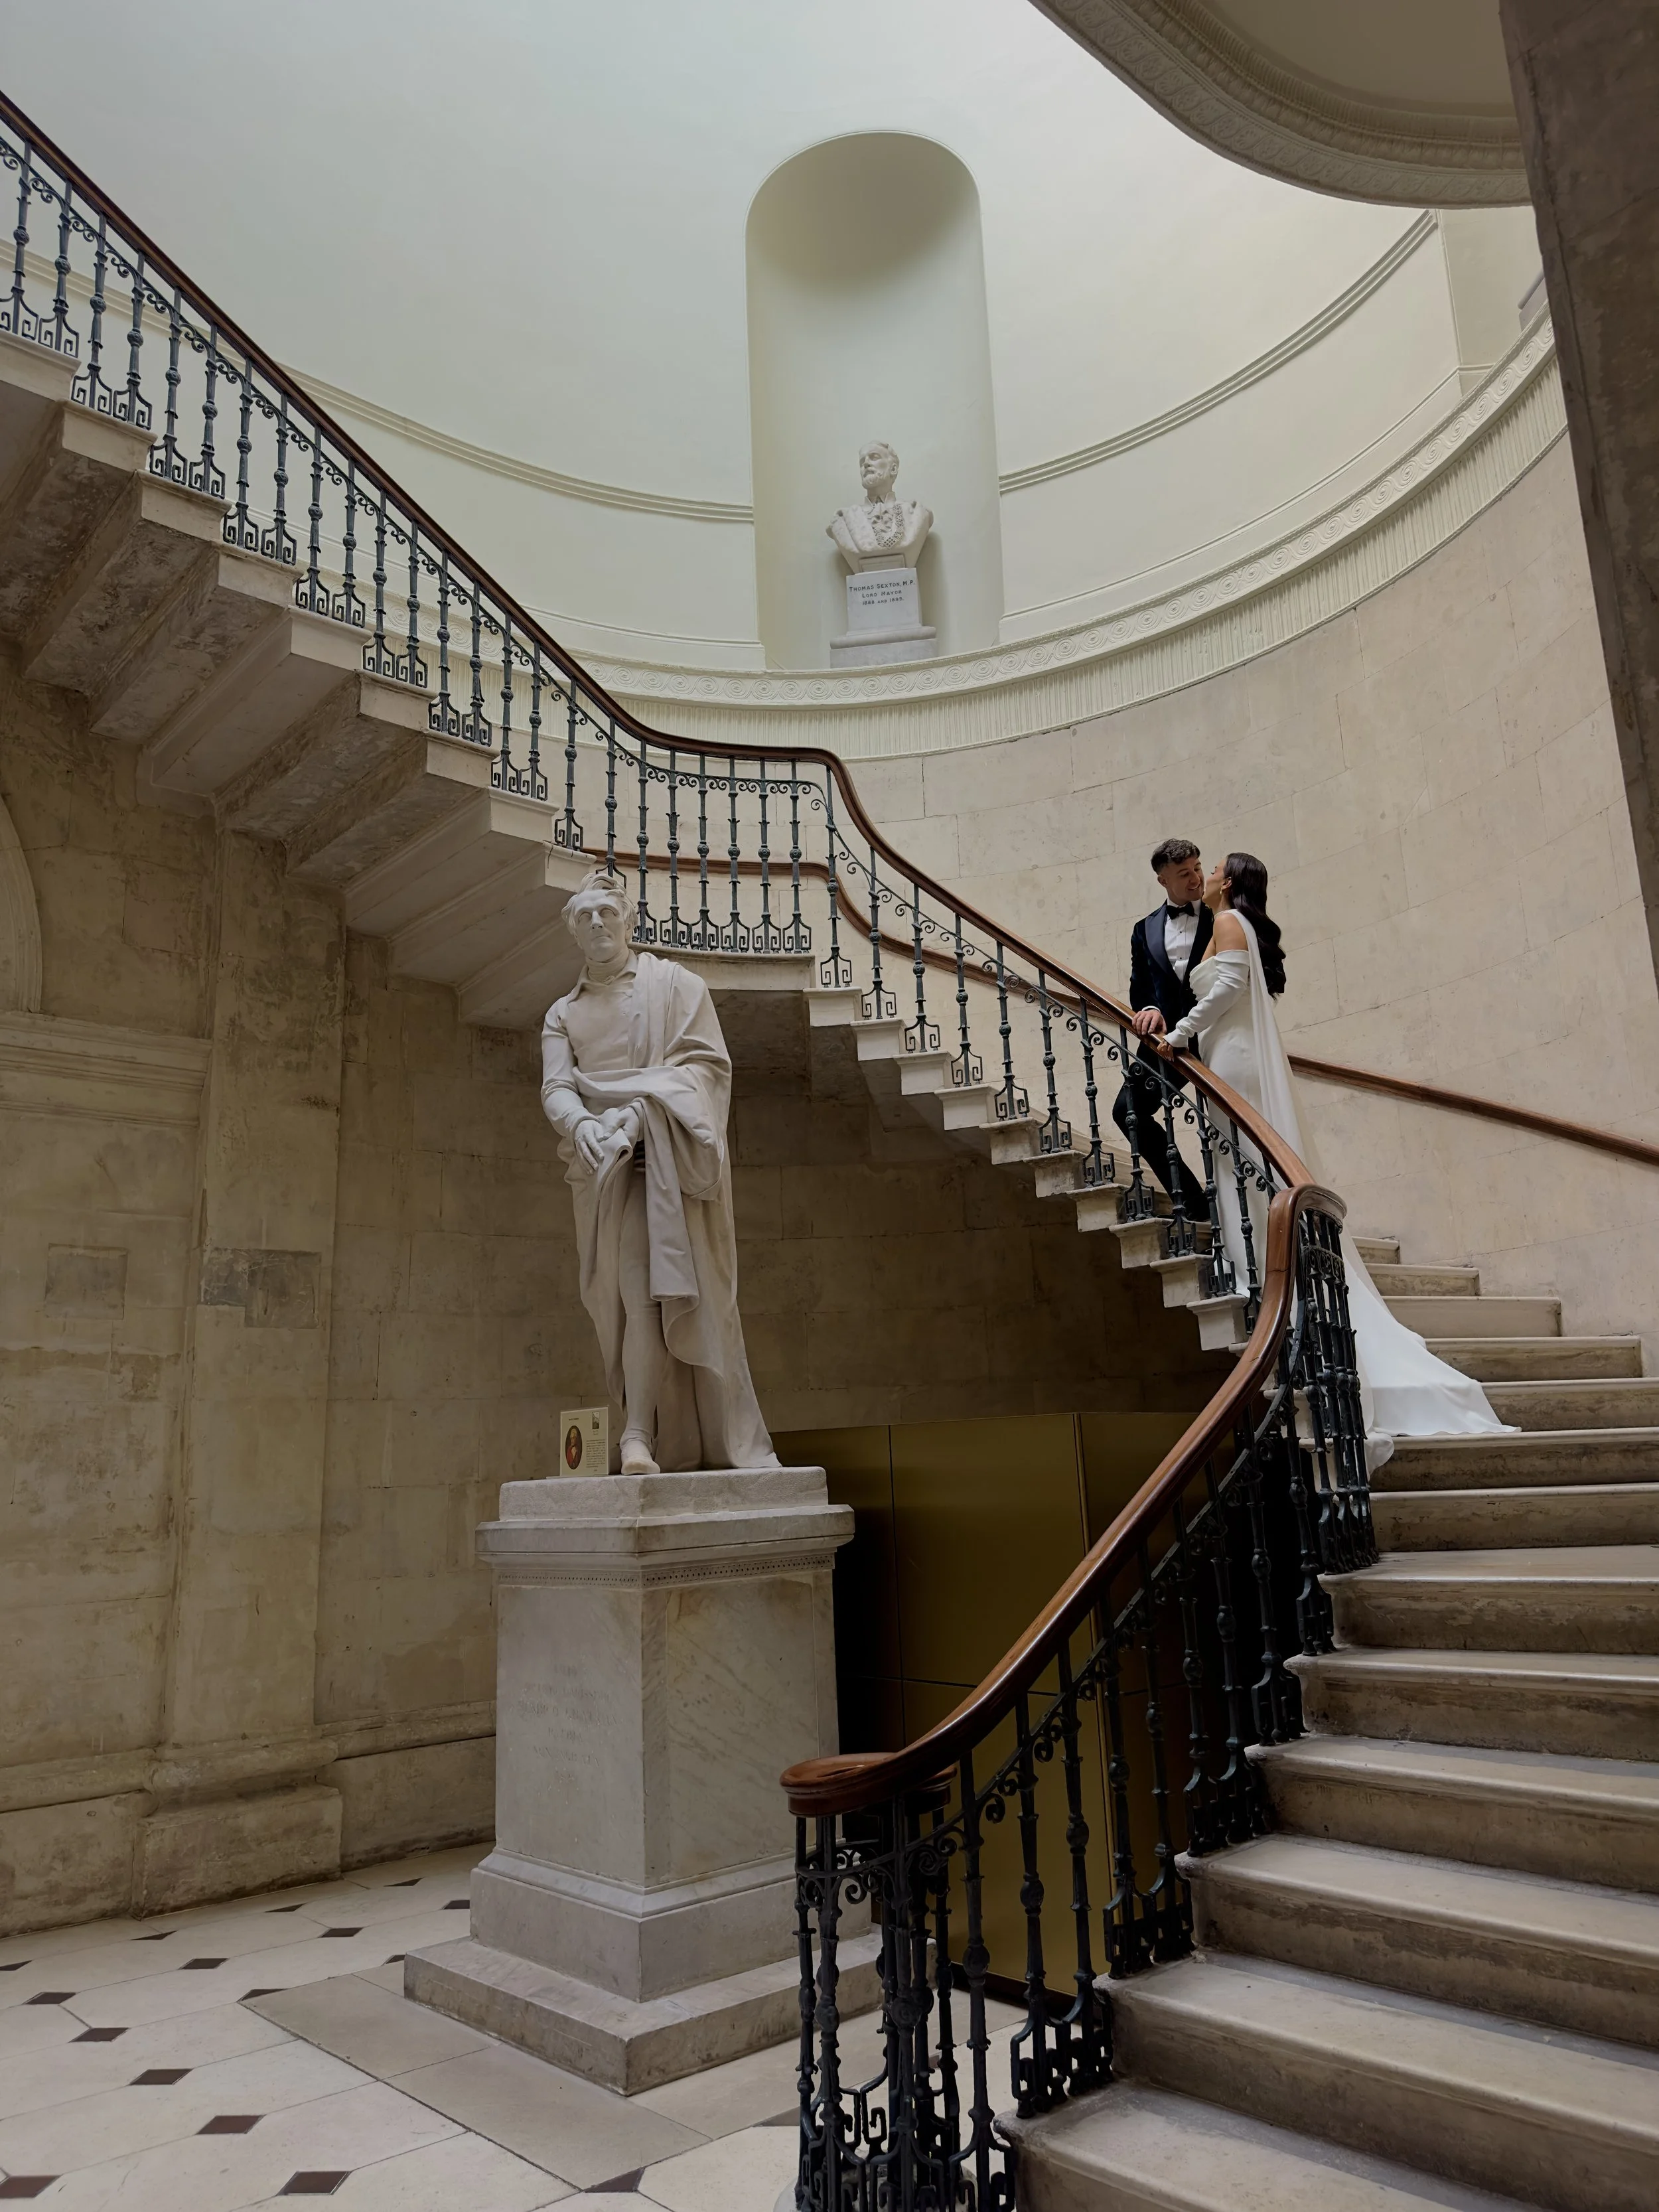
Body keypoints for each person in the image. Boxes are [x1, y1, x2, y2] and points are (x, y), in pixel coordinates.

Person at [1161, 851, 1512, 1442]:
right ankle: (1252, 1272)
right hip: (1228, 1053)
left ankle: (1257, 1279)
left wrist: (1178, 1035)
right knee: (1236, 1163)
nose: (1211, 871)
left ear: (1232, 880)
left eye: (1218, 865)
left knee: (1243, 1162)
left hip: (1233, 1057)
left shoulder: (1225, 924)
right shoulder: (1232, 924)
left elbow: (1228, 987)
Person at [540, 869, 778, 1475]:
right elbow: (558, 1087)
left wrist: (641, 1117)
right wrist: (584, 1126)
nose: (597, 922)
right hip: (603, 1169)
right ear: (574, 931)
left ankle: (637, 1435)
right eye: (586, 915)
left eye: (608, 913)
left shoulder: (676, 986)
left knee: (646, 1286)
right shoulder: (562, 1014)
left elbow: (704, 1071)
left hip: (667, 1161)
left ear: (629, 920)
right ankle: (641, 1432)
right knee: (618, 1296)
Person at [1116, 837, 1214, 1219]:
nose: (1195, 880)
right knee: (1129, 1112)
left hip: (1213, 1036)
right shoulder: (1144, 929)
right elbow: (1141, 987)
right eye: (1184, 874)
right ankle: (1195, 1201)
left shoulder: (1219, 916)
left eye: (1197, 869)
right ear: (1163, 880)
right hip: (1166, 1043)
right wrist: (1150, 1009)